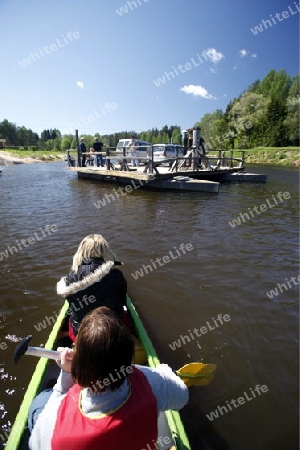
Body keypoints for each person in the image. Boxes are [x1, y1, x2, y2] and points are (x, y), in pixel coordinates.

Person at [28, 307, 189, 450]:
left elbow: (35, 444)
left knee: (39, 402)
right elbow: (182, 397)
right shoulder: (150, 381)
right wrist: (164, 371)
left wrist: (66, 376)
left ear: (80, 366)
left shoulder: (55, 419)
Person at [56, 234, 127, 341]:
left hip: (81, 333)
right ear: (106, 251)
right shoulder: (116, 274)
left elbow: (72, 305)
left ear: (81, 252)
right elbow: (122, 301)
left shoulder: (71, 277)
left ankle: (67, 335)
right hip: (111, 331)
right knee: (123, 316)